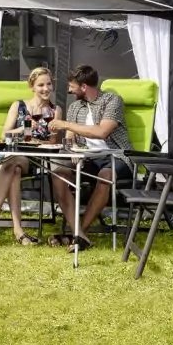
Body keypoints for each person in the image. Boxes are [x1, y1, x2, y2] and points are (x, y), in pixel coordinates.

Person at [48, 64, 133, 252]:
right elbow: (69, 139)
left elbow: (102, 132)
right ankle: (80, 235)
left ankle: (76, 235)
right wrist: (70, 149)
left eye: (72, 86)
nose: (69, 90)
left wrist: (66, 124)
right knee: (59, 174)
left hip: (116, 156)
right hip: (86, 158)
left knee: (105, 176)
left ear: (84, 87)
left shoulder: (112, 101)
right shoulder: (75, 107)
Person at [0, 67, 62, 246]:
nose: (46, 88)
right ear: (32, 86)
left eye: (48, 84)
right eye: (41, 85)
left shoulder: (56, 110)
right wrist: (26, 129)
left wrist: (37, 141)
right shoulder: (18, 105)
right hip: (5, 159)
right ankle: (19, 231)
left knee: (16, 162)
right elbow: (5, 134)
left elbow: (53, 141)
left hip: (32, 160)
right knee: (14, 168)